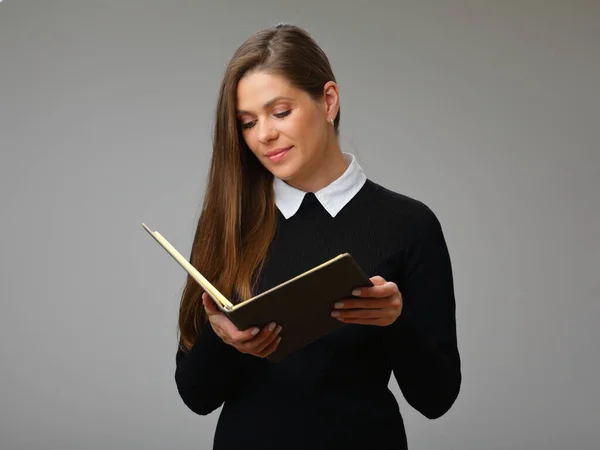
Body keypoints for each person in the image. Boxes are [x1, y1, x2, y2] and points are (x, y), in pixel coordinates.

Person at [174, 23, 461, 450]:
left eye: (281, 112)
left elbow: (436, 399)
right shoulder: (227, 222)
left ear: (328, 101)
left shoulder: (409, 224)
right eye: (248, 122)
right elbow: (195, 397)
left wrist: (395, 323)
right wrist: (224, 340)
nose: (264, 134)